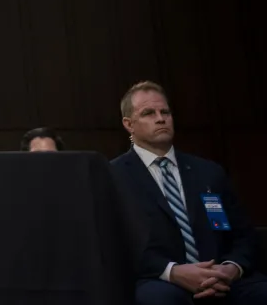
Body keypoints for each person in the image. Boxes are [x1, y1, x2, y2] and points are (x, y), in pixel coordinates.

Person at [111, 81, 266, 305]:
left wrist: (230, 269)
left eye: (165, 111)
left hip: (222, 275)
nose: (160, 118)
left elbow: (243, 235)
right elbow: (116, 246)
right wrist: (173, 272)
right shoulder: (114, 176)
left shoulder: (208, 172)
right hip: (159, 279)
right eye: (148, 113)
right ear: (129, 124)